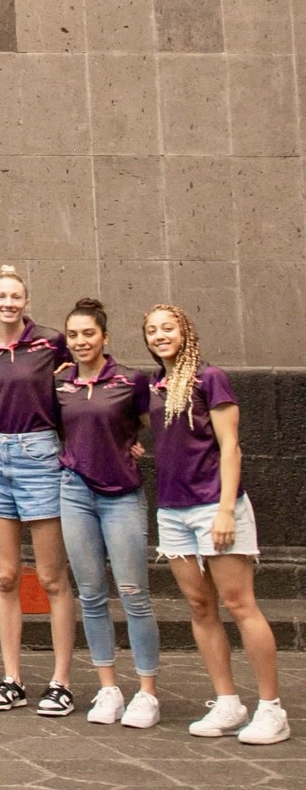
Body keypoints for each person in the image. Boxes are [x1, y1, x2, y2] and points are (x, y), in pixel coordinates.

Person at [144, 305, 288, 744]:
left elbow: (230, 447)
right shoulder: (155, 386)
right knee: (200, 606)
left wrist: (226, 509)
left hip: (214, 505)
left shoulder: (210, 378)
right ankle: (227, 702)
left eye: (168, 328)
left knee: (239, 603)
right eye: (151, 330)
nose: (159, 335)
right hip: (173, 510)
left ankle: (271, 709)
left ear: (185, 331)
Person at [0, 266, 79, 715]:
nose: (8, 304)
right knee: (6, 576)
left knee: (52, 577)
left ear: (26, 302)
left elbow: (82, 381)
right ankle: (12, 677)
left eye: (16, 297)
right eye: (1, 297)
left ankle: (60, 681)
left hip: (39, 455)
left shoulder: (51, 342)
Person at [55, 299, 159, 729]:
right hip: (74, 493)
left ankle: (147, 693)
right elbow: (58, 427)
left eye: (89, 334)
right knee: (91, 595)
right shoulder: (59, 383)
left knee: (134, 594)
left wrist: (134, 444)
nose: (81, 342)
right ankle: (108, 688)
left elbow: (154, 422)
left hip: (122, 495)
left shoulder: (131, 380)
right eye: (73, 335)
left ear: (105, 337)